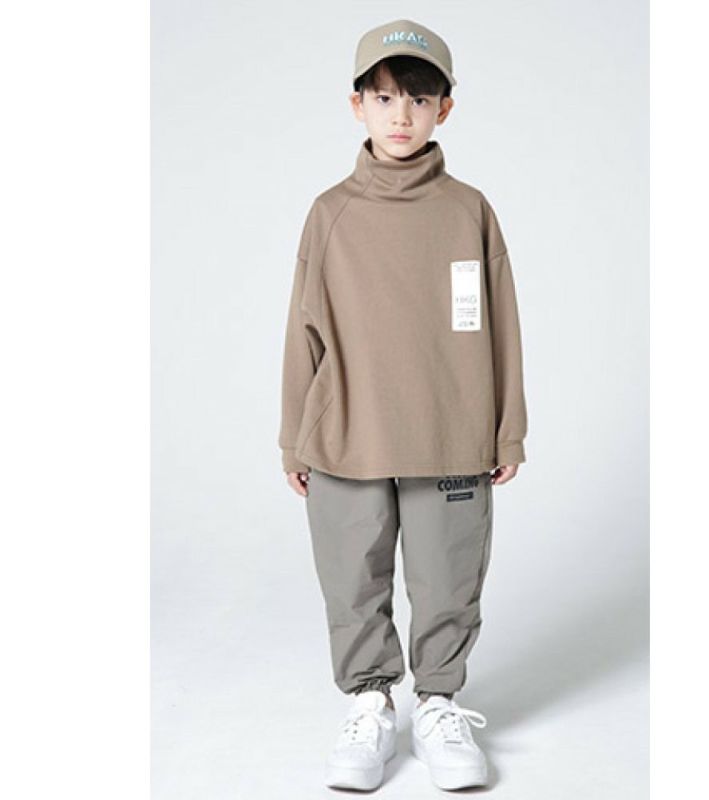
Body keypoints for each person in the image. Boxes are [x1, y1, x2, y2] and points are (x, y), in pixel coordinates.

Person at [278, 18, 528, 791]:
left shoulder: (469, 210)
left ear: (444, 110)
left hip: (450, 429)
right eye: (384, 98)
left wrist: (507, 429)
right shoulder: (330, 213)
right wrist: (293, 437)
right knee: (352, 578)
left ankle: (438, 705)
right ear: (356, 104)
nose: (401, 115)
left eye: (419, 100)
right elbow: (302, 330)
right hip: (347, 431)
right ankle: (370, 705)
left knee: (449, 577)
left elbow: (502, 324)